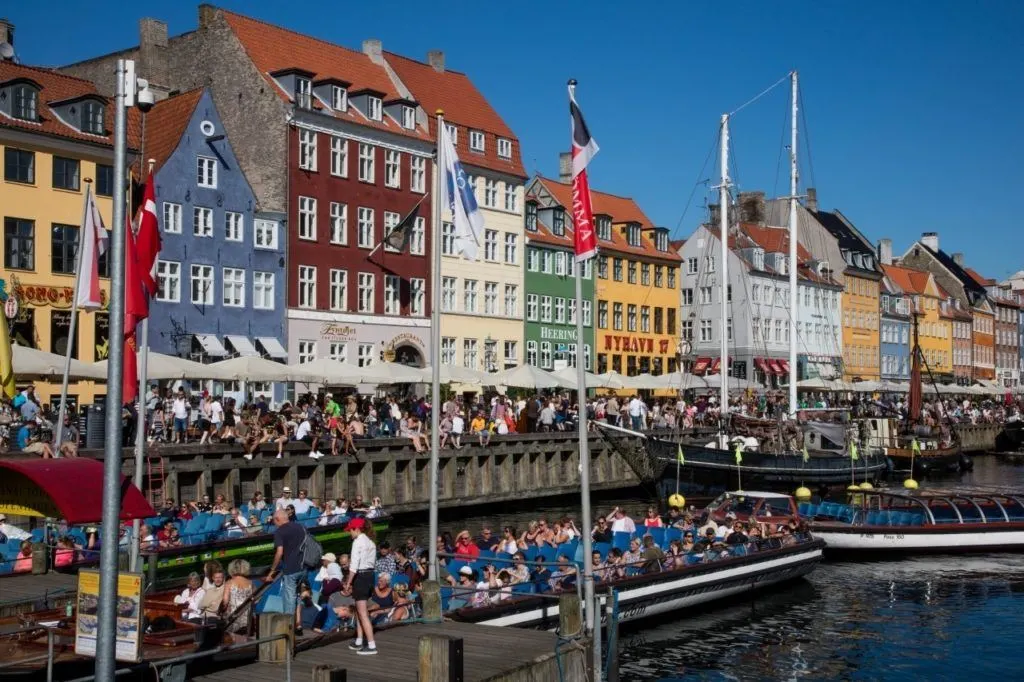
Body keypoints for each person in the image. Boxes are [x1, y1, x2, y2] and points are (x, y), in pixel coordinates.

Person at [266, 509, 307, 634]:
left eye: (274, 521)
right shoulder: (300, 527)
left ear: (277, 519)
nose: (274, 524)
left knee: (289, 598)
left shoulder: (279, 532)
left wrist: (272, 570)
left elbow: (279, 552)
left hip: (291, 569)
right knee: (297, 596)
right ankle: (298, 624)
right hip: (303, 567)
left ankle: (288, 628)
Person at [344, 517, 378, 655]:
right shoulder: (371, 542)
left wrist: (348, 583)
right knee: (359, 610)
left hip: (361, 577)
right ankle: (359, 640)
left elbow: (354, 566)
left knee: (363, 613)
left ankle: (371, 644)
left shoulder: (357, 542)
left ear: (356, 529)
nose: (349, 533)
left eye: (350, 530)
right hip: (370, 576)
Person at [222, 559, 254, 634]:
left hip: (233, 618)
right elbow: (255, 600)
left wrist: (220, 611)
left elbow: (225, 602)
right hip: (247, 618)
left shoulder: (229, 583)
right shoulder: (250, 583)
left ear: (231, 569)